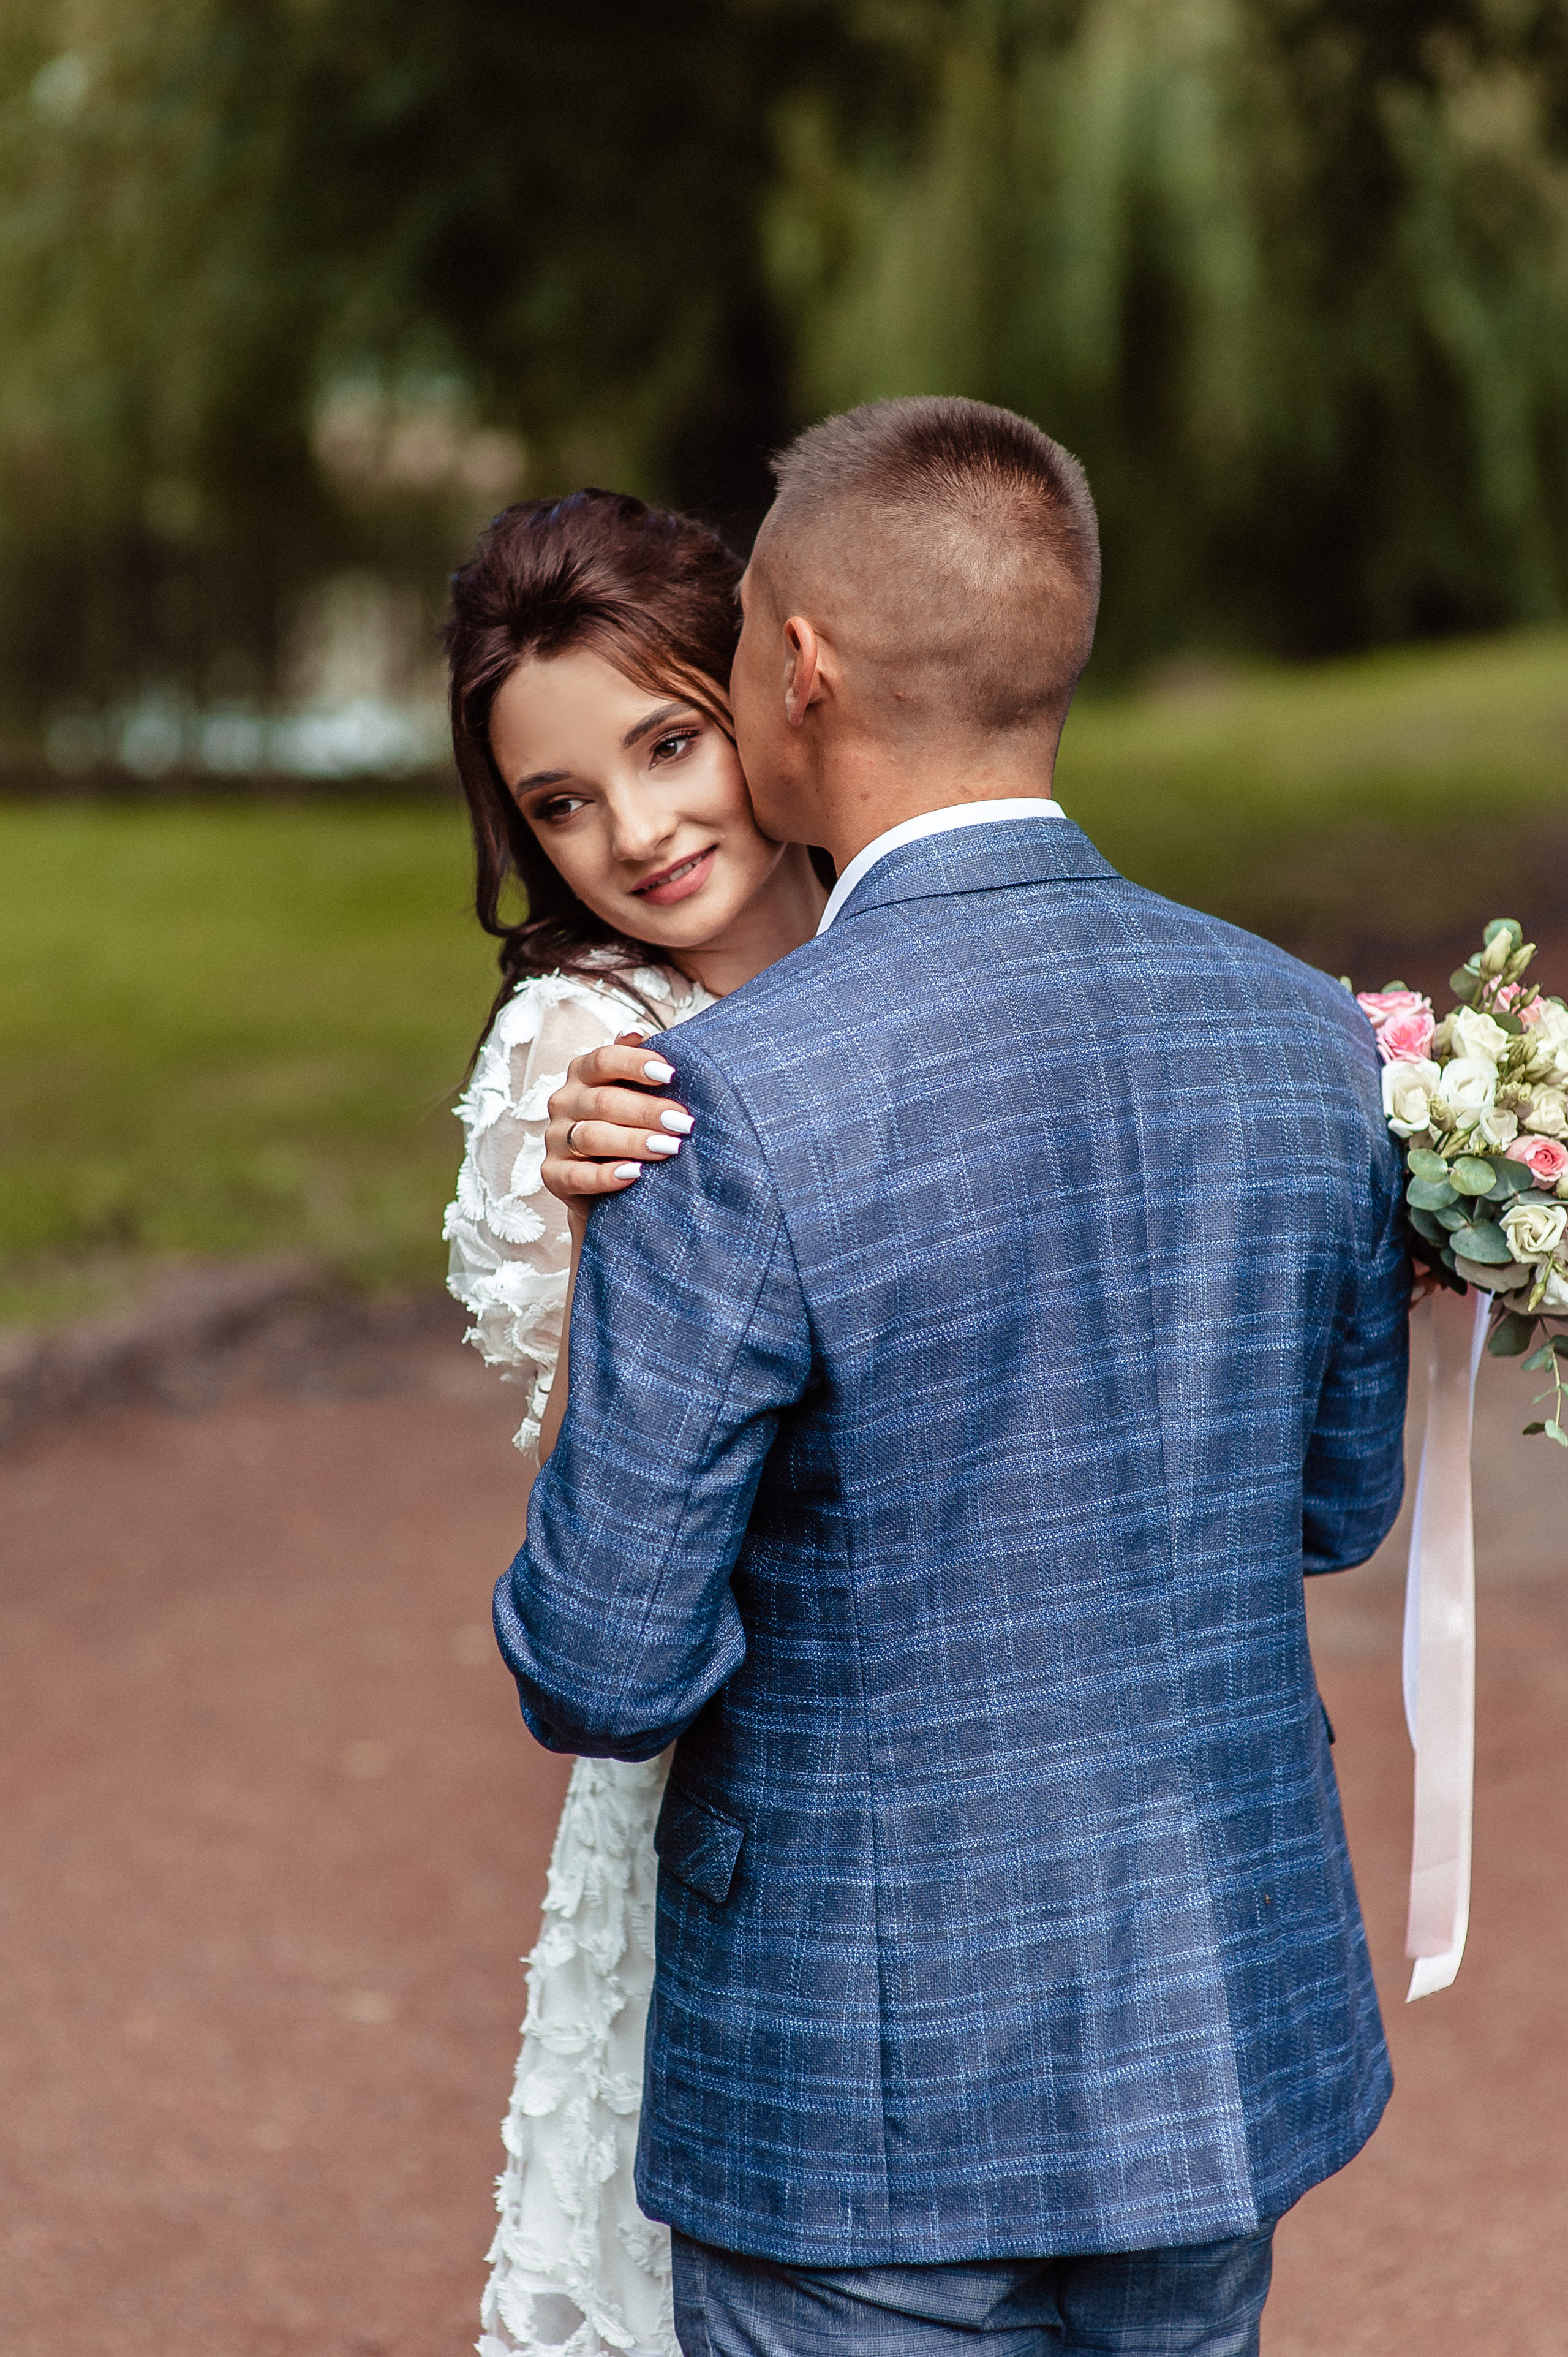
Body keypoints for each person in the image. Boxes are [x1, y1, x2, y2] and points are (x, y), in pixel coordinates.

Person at [493, 398, 1411, 2357]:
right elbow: (1335, 1508)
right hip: (1209, 2034)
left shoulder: (712, 1108)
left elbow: (602, 1665)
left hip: (864, 2088)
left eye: (734, 644)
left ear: (799, 666)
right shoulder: (1308, 1039)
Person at [442, 488, 831, 2357]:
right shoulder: (578, 1062)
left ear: (768, 689)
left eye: (667, 744)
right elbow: (604, 1499)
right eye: (561, 805)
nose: (637, 835)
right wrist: (618, 1249)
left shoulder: (883, 919)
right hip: (736, 1723)